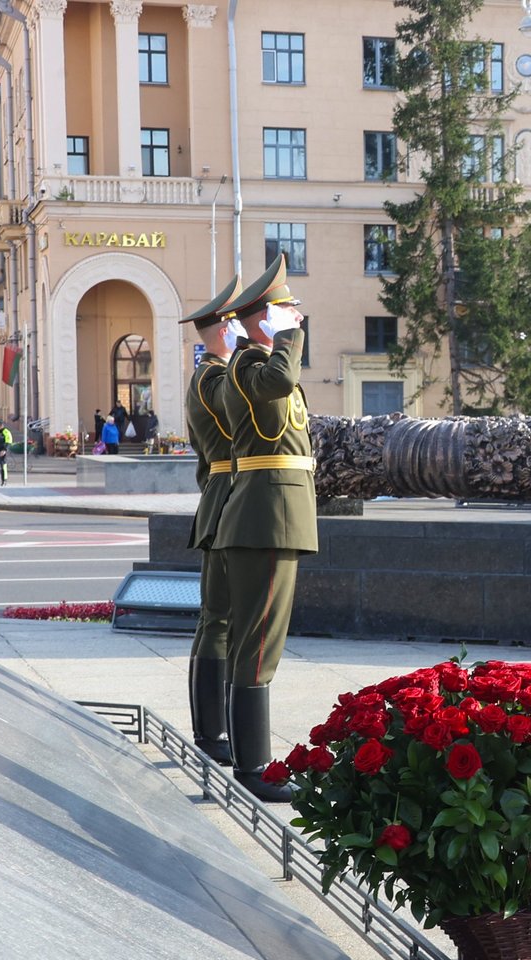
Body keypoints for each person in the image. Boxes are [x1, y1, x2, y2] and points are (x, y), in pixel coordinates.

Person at [212, 254, 316, 802]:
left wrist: (281, 340)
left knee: (254, 641)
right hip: (266, 517)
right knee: (258, 646)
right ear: (266, 319)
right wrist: (285, 338)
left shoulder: (257, 366)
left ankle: (247, 758)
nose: (297, 315)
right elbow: (280, 380)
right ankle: (254, 769)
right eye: (287, 308)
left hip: (272, 515)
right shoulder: (251, 366)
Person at [180, 272, 244, 766]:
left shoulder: (205, 376)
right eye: (237, 325)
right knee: (220, 620)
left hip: (219, 494)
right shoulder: (217, 378)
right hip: (230, 498)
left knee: (216, 619)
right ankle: (212, 732)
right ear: (224, 330)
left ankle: (210, 730)